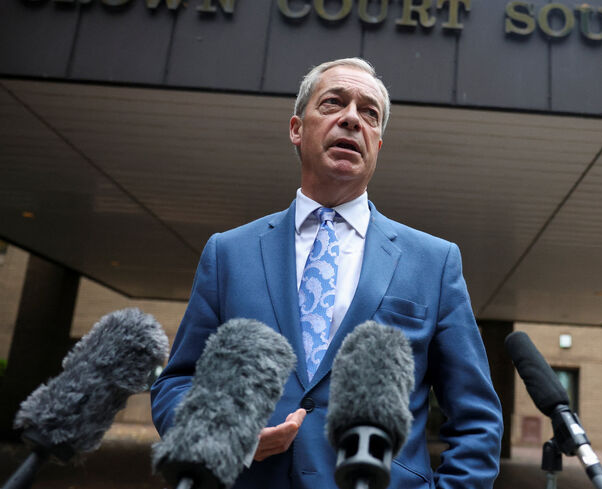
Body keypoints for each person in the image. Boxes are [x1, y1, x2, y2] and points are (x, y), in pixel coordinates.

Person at [151, 58, 503, 489]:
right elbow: (178, 381)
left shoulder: (434, 261)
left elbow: (477, 419)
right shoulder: (228, 252)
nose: (352, 119)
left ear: (378, 143)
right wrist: (219, 437)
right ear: (297, 129)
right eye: (334, 103)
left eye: (369, 113)